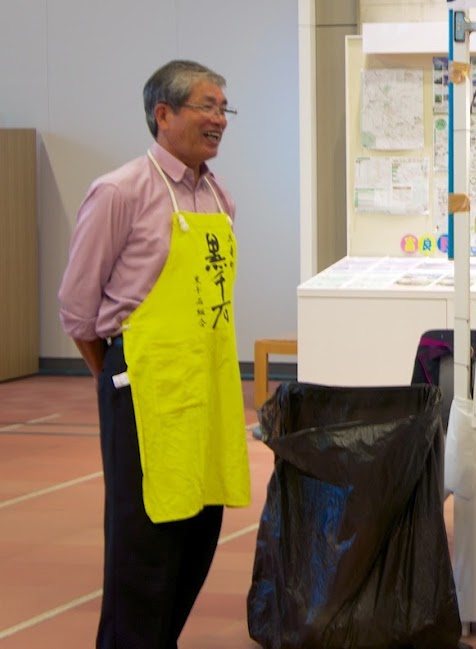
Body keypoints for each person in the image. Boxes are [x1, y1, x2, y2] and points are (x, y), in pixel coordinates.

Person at [57, 59, 251, 648]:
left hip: (207, 388)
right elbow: (77, 309)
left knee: (198, 530)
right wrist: (119, 375)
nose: (219, 119)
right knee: (143, 546)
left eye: (224, 108)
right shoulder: (121, 191)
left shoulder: (218, 198)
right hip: (141, 387)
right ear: (162, 114)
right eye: (206, 106)